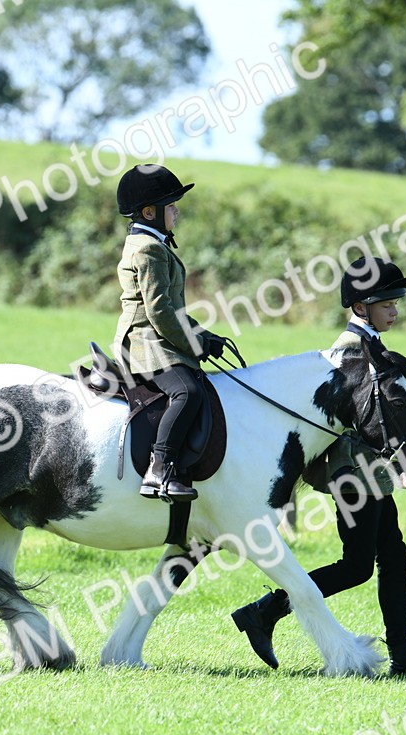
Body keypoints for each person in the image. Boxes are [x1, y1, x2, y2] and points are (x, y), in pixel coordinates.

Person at [230, 256, 406, 680]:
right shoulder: (347, 354)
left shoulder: (374, 349)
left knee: (393, 555)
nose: (394, 310)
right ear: (360, 307)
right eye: (386, 302)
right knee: (357, 566)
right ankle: (264, 611)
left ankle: (403, 656)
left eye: (396, 302)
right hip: (353, 475)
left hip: (373, 473)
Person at [113, 163, 224, 501]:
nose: (176, 212)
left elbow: (174, 311)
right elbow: (159, 311)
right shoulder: (148, 249)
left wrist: (204, 334)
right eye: (171, 206)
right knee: (187, 391)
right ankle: (158, 469)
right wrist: (195, 343)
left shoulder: (154, 243)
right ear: (149, 212)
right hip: (145, 342)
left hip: (158, 337)